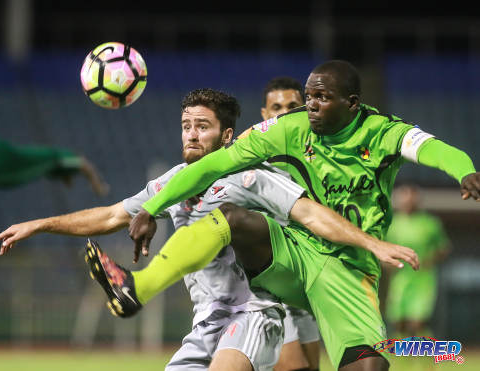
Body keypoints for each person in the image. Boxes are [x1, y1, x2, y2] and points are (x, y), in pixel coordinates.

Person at [0, 88, 415, 371]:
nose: (191, 135)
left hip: (256, 313)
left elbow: (310, 215)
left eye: (202, 127)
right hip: (205, 321)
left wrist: (370, 243)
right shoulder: (172, 183)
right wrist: (39, 224)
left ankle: (138, 289)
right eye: (186, 126)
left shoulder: (255, 176)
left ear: (227, 135)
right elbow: (109, 217)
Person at [116, 60, 478, 370]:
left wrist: (464, 171)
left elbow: (435, 150)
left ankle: (429, 356)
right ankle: (140, 287)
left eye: (322, 98)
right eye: (308, 97)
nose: (312, 105)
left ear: (351, 103)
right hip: (297, 250)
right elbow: (216, 164)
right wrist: (151, 207)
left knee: (369, 363)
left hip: (349, 271)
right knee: (233, 217)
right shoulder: (290, 128)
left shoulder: (385, 133)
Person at [261, 76, 321, 371]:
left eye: (292, 106)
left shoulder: (320, 159)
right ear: (265, 115)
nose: (284, 113)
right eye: (276, 107)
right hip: (269, 286)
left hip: (307, 283)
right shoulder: (251, 161)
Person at [385, 184, 451, 339]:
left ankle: (423, 354)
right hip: (399, 279)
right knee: (398, 321)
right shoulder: (392, 224)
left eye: (411, 199)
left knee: (417, 321)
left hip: (422, 279)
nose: (407, 203)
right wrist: (388, 264)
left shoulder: (430, 223)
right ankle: (403, 356)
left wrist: (430, 260)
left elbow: (443, 248)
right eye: (404, 199)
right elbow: (384, 249)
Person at [0, 119, 109, 196]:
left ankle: (69, 170)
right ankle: (93, 182)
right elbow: (80, 162)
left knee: (51, 159)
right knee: (55, 158)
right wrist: (97, 185)